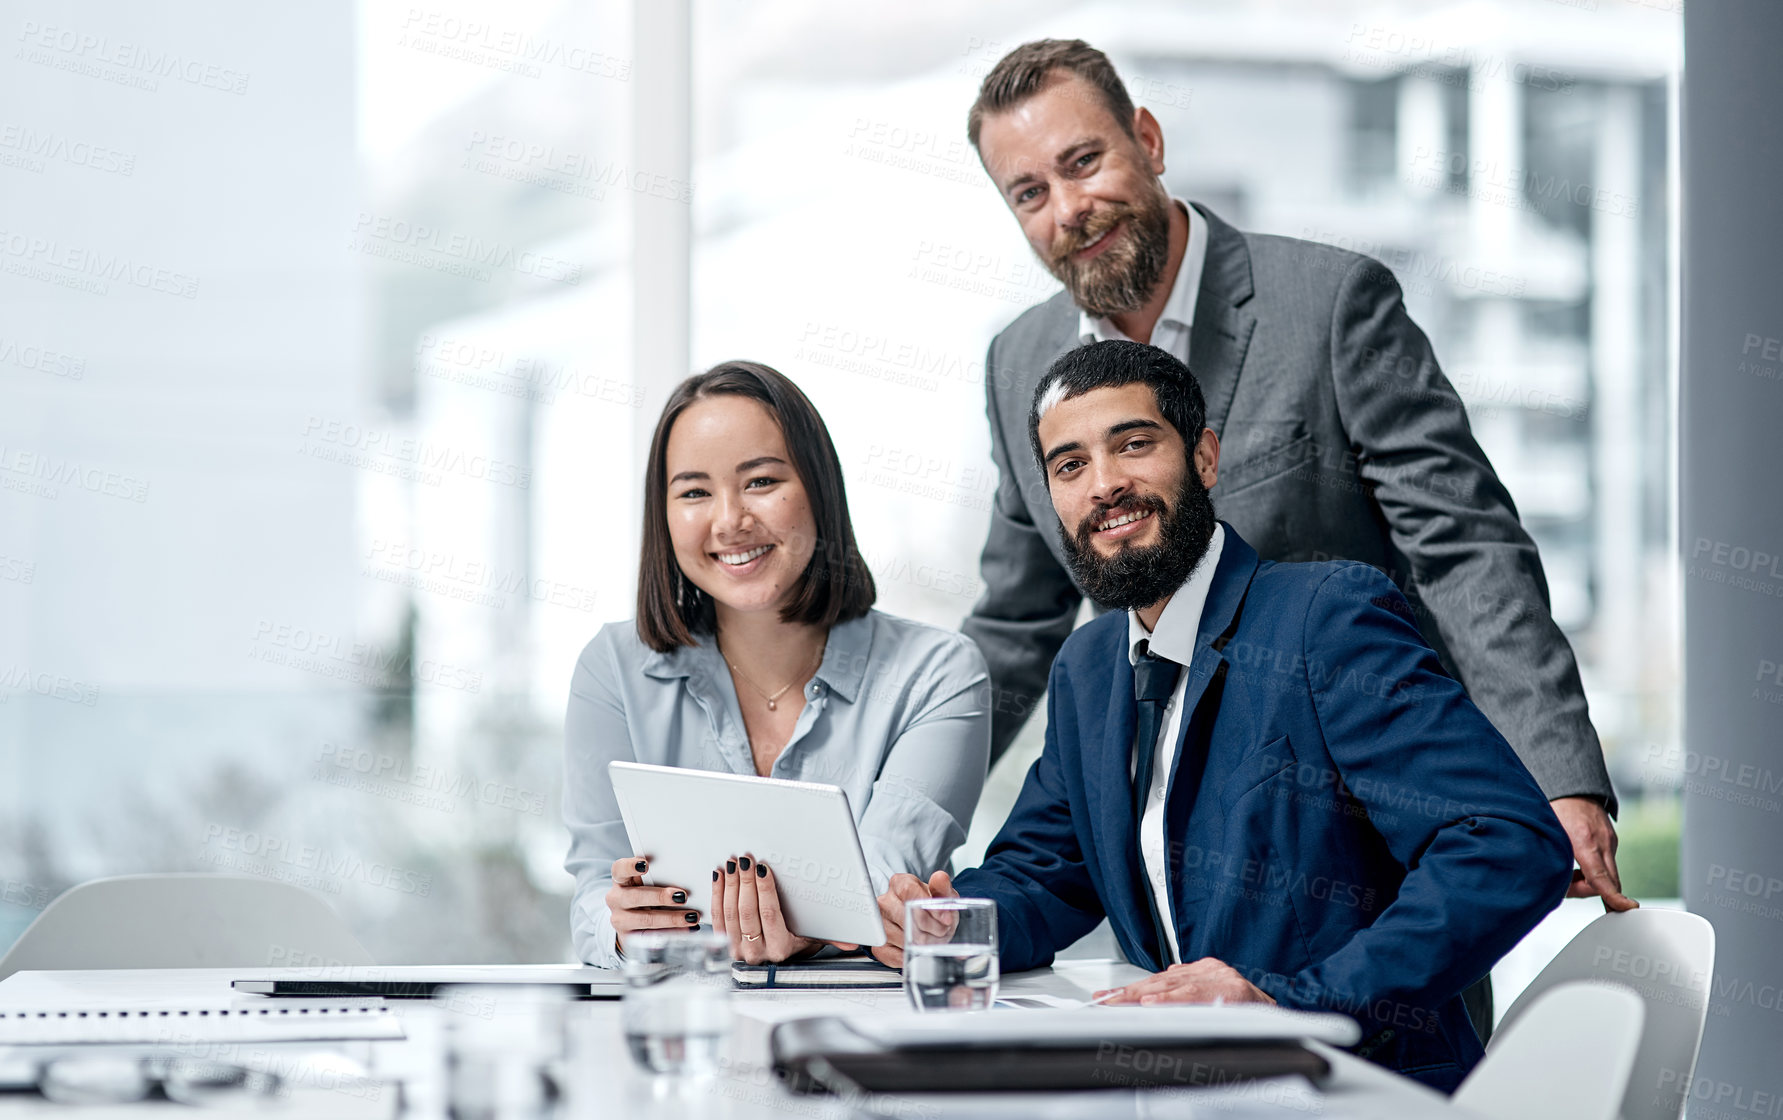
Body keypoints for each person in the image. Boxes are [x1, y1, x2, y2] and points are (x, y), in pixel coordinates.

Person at [956, 39, 1633, 922]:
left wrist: (1556, 777)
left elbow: (1463, 549)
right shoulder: (1020, 364)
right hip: (1167, 866)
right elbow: (1013, 625)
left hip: (1361, 856)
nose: (1069, 209)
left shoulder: (1329, 304)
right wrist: (891, 819)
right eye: (1030, 193)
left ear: (1148, 142)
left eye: (1084, 162)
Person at [878, 341, 1572, 1090]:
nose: (1105, 485)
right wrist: (959, 922)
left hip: (1351, 1088)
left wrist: (1285, 1003)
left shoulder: (1323, 617)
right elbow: (1047, 871)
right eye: (1069, 465)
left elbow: (1507, 842)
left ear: (1203, 458)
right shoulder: (1089, 667)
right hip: (1186, 1089)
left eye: (1134, 445)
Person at [562, 360, 990, 967]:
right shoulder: (613, 669)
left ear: (818, 489)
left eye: (760, 482)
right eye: (693, 492)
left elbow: (878, 885)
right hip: (685, 1021)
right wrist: (623, 929)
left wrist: (825, 924)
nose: (730, 520)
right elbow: (592, 892)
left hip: (861, 1026)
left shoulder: (937, 673)